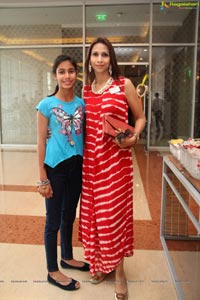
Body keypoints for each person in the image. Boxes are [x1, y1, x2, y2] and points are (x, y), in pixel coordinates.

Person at [79, 37, 146, 300]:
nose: (99, 59)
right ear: (89, 60)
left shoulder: (123, 84)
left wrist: (135, 137)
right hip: (90, 166)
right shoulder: (85, 90)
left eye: (104, 54)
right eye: (95, 54)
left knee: (113, 219)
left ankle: (119, 273)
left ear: (111, 58)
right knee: (94, 218)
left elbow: (139, 118)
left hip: (116, 165)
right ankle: (100, 265)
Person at [36, 54, 89, 291]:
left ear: (76, 74)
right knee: (53, 220)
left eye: (71, 71)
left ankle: (66, 257)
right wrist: (43, 178)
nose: (67, 76)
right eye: (61, 71)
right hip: (55, 168)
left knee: (69, 215)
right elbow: (40, 142)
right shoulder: (46, 105)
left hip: (76, 166)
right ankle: (52, 270)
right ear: (55, 75)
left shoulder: (81, 104)